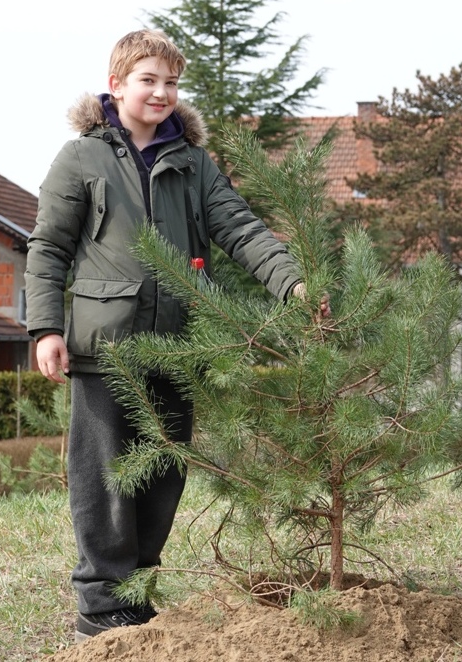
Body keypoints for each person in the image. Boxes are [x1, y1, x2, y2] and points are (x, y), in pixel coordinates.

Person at [25, 29, 324, 642]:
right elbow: (49, 247)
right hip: (103, 348)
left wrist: (294, 285)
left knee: (164, 471)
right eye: (148, 80)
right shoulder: (81, 157)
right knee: (106, 472)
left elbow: (240, 229)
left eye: (170, 82)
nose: (161, 92)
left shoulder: (192, 162)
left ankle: (138, 590)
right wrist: (45, 327)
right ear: (117, 85)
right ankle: (101, 602)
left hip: (180, 345)